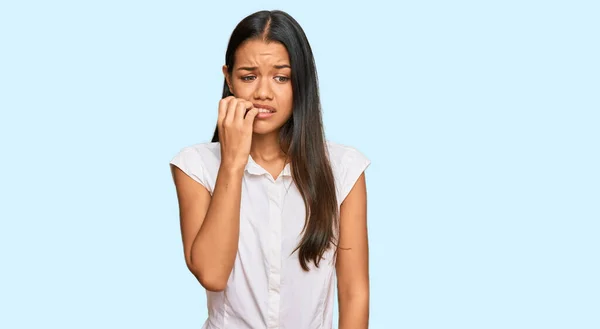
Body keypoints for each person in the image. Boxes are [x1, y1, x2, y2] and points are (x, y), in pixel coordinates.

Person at [169, 10, 370, 329]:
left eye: (281, 77)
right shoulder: (196, 165)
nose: (263, 92)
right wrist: (233, 163)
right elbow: (212, 274)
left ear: (301, 81)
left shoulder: (343, 169)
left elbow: (354, 292)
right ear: (229, 78)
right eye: (248, 76)